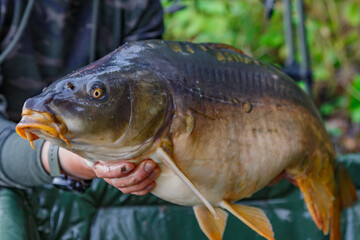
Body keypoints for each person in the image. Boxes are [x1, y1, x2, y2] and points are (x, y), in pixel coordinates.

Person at [0, 0, 162, 194]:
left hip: (109, 160)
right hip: (15, 166)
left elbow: (146, 109)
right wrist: (62, 158)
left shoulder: (137, 5)